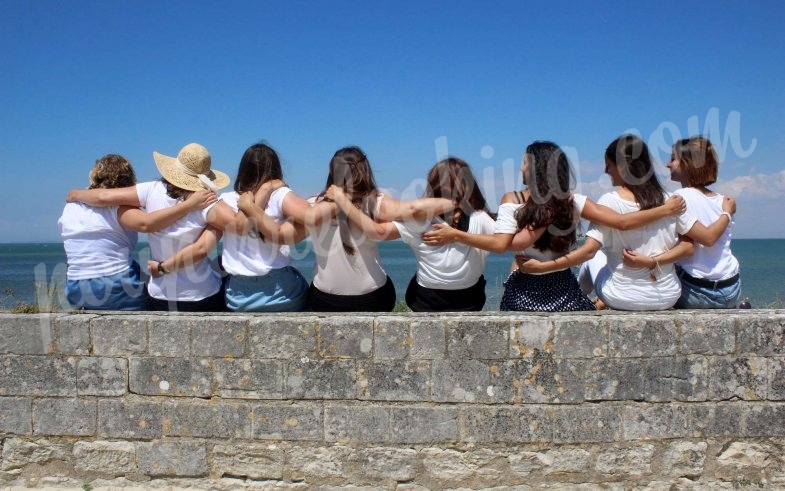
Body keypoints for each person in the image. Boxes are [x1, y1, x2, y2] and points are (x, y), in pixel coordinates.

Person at [421, 141, 687, 312]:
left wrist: (455, 234)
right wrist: (664, 210)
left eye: (525, 162)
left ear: (535, 168)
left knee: (515, 274)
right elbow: (621, 222)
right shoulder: (571, 201)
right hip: (563, 289)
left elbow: (505, 245)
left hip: (524, 289)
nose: (521, 168)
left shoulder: (512, 200)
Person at [518, 134, 734, 311]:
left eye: (608, 165)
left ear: (621, 167)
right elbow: (689, 246)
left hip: (622, 297)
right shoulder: (671, 201)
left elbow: (588, 252)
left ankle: (578, 300)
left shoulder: (610, 201)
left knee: (594, 255)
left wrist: (542, 267)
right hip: (667, 296)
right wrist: (652, 261)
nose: (605, 171)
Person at [68, 142, 247, 312]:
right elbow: (238, 227)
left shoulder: (150, 190)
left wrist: (77, 194)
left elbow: (103, 198)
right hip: (201, 294)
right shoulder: (206, 202)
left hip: (161, 294)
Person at [326, 157, 493, 311]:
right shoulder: (480, 218)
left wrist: (344, 202)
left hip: (427, 302)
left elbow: (377, 232)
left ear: (433, 185)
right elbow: (504, 241)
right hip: (470, 301)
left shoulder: (419, 221)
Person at [630, 136, 741, 309]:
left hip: (699, 293)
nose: (668, 164)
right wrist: (726, 212)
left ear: (688, 164)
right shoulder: (723, 201)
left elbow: (707, 239)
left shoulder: (680, 199)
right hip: (732, 289)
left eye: (673, 159)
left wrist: (651, 260)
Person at [216, 142, 310, 311]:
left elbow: (239, 224)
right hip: (282, 294)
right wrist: (266, 189)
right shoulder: (279, 195)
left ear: (243, 170)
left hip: (238, 298)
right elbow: (310, 216)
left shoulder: (228, 200)